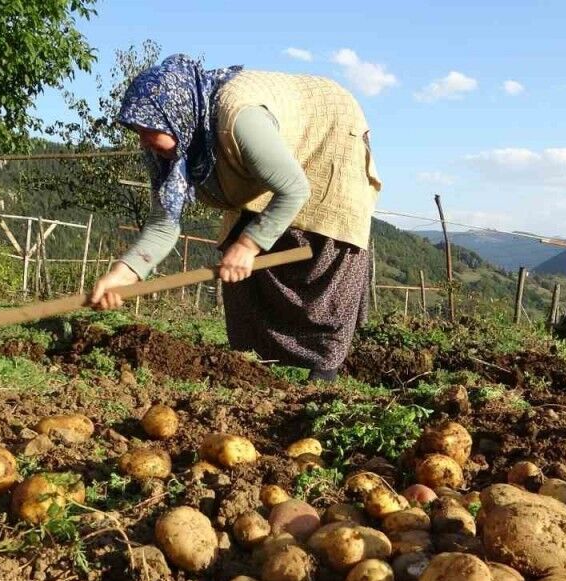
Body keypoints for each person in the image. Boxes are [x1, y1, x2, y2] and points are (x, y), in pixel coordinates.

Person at [89, 54, 382, 382]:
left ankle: (323, 377)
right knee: (240, 260)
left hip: (331, 131)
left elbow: (294, 189)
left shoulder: (240, 121)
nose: (142, 140)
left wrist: (249, 244)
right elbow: (163, 224)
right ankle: (253, 370)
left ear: (176, 115)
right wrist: (124, 274)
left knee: (324, 252)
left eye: (148, 129)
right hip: (271, 156)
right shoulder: (166, 146)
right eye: (137, 129)